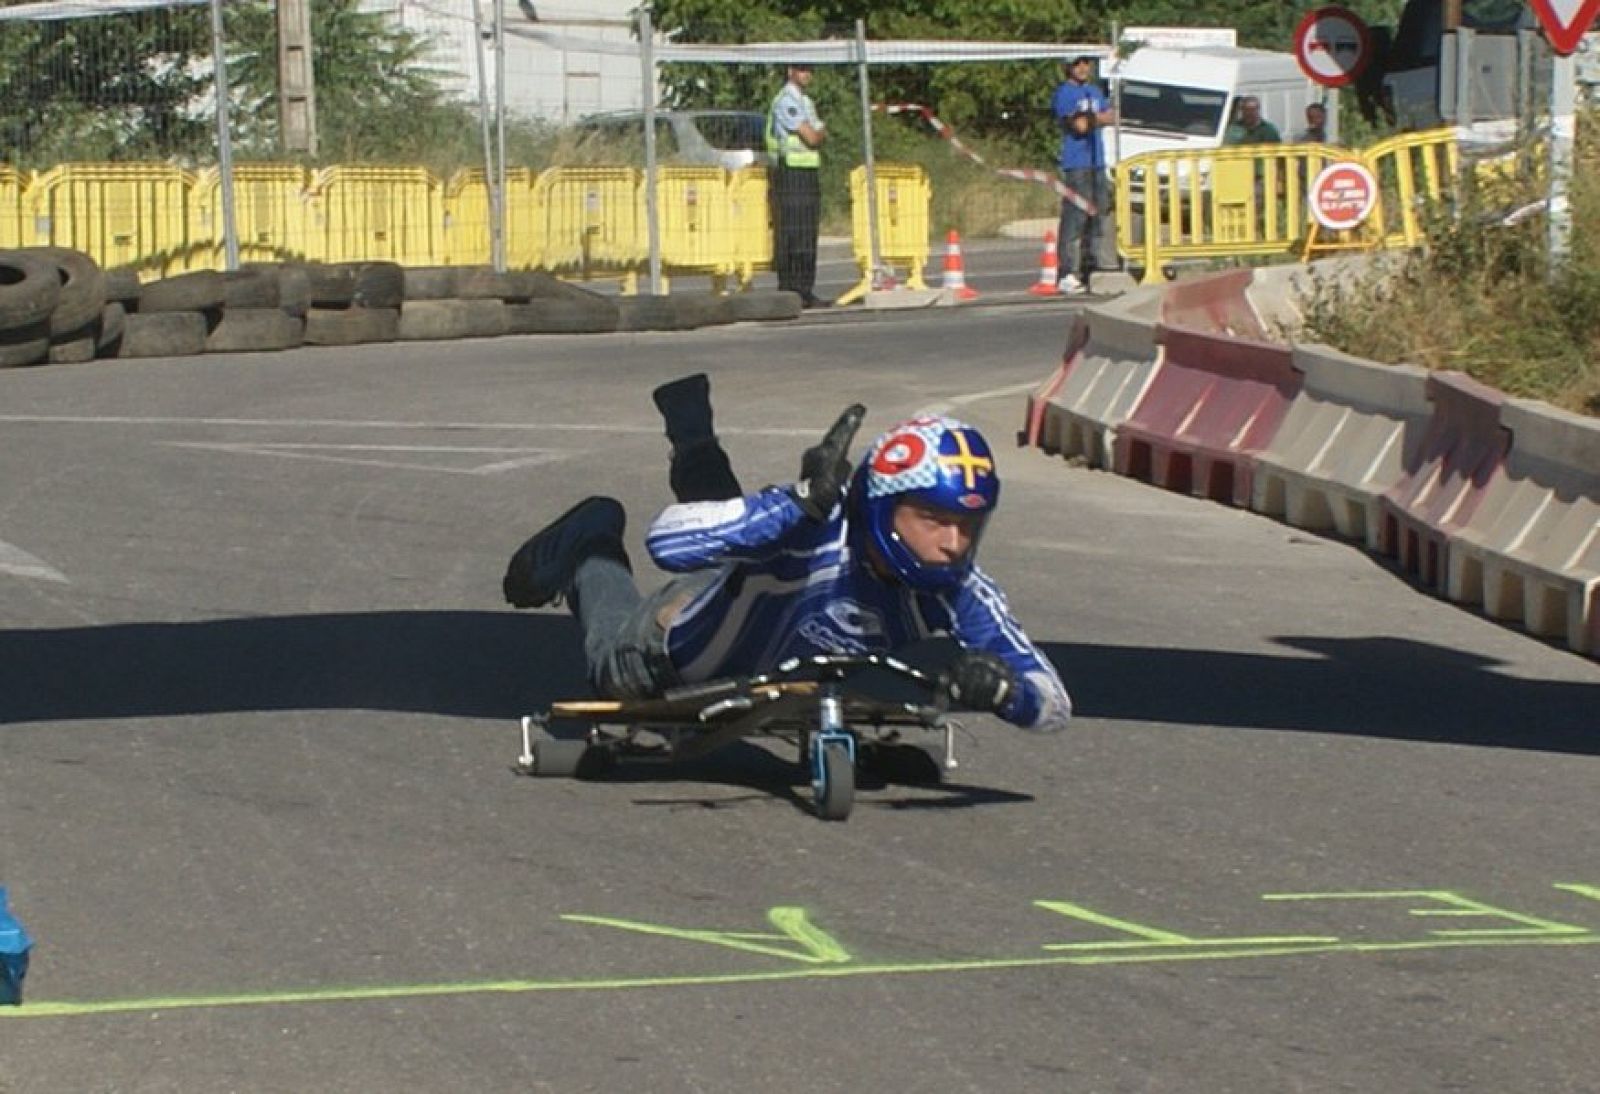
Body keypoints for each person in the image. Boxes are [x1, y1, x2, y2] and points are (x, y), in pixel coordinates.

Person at [502, 375, 1072, 735]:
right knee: (610, 663)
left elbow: (1055, 702)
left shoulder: (958, 586)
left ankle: (694, 438)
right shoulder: (817, 524)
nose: (954, 543)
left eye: (968, 525)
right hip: (671, 646)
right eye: (935, 520)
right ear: (883, 507)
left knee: (743, 550)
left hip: (744, 588)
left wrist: (1007, 692)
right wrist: (796, 502)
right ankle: (592, 542)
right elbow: (667, 542)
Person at [1051, 54, 1115, 297]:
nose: (1082, 68)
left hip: (1097, 161)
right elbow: (1078, 126)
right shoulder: (1065, 93)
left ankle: (1092, 266)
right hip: (1077, 162)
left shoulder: (1094, 91)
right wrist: (1096, 119)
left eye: (1085, 63)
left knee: (1099, 214)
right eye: (1077, 64)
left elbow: (1111, 116)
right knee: (1075, 216)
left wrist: (1093, 119)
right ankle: (1067, 272)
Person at [766, 62, 829, 309]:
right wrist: (817, 132)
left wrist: (817, 132)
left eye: (810, 69)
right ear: (790, 71)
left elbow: (819, 132)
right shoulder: (785, 101)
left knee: (807, 234)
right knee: (792, 233)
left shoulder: (806, 102)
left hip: (808, 172)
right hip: (790, 173)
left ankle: (805, 290)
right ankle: (790, 290)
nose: (807, 74)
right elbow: (813, 136)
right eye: (802, 69)